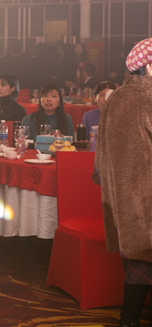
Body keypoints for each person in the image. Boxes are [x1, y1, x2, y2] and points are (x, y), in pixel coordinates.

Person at [94, 38, 152, 327]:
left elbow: (100, 151)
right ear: (149, 66)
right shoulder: (149, 97)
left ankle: (128, 320)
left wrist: (106, 181)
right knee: (145, 257)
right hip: (147, 193)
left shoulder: (115, 97)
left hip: (122, 196)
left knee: (140, 258)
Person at [0, 74, 27, 144]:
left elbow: (19, 135)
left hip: (12, 145)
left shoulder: (19, 110)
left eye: (3, 85)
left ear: (12, 88)